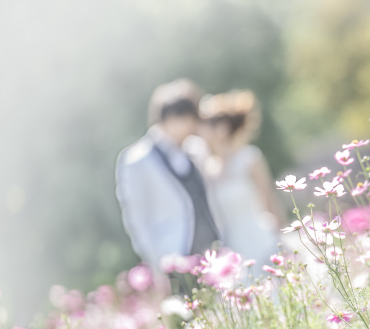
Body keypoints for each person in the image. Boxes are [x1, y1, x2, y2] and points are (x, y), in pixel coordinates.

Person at [115, 79, 221, 273]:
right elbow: (137, 219)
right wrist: (157, 262)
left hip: (215, 249)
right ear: (173, 118)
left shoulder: (195, 148)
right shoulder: (137, 159)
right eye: (191, 118)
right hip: (176, 255)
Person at [197, 90, 284, 267]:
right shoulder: (207, 168)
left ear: (222, 128)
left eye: (205, 123)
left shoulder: (249, 158)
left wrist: (283, 239)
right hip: (231, 250)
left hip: (262, 240)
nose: (199, 129)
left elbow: (270, 199)